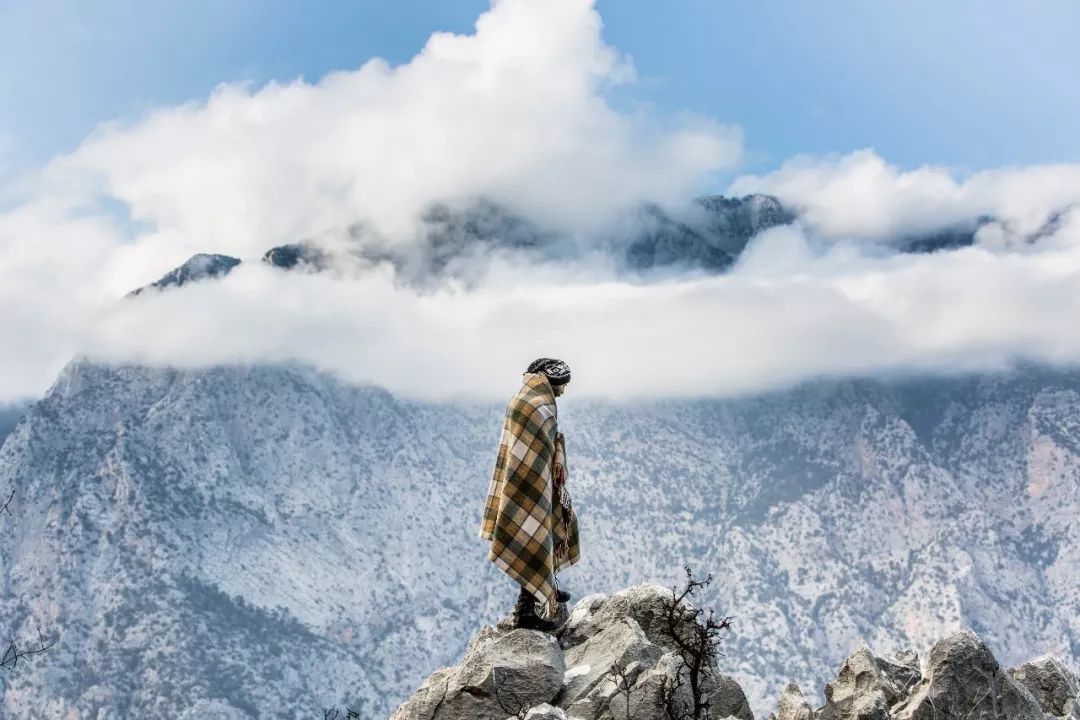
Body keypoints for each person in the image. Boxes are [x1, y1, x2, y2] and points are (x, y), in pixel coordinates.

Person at [480, 358, 580, 632]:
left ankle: (543, 589)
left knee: (545, 532)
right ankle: (526, 610)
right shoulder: (537, 405)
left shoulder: (525, 399)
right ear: (551, 382)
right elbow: (533, 451)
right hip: (529, 487)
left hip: (537, 484)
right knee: (533, 537)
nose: (562, 392)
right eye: (561, 386)